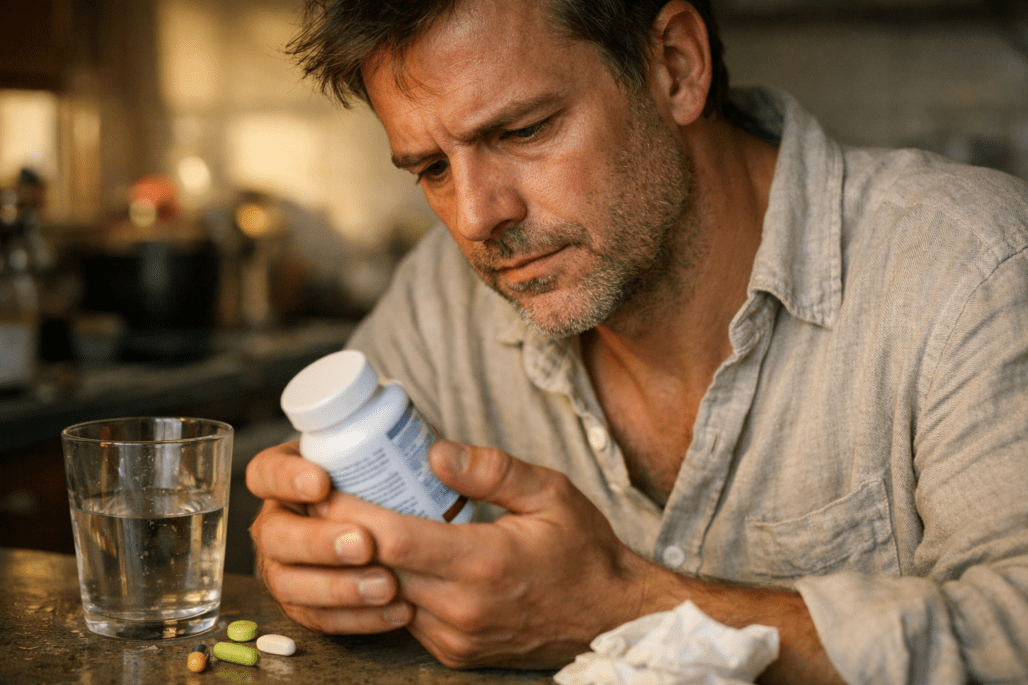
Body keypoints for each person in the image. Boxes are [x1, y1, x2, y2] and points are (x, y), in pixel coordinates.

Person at [245, 0, 1028, 682]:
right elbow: (326, 514)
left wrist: (625, 602)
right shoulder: (440, 297)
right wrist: (320, 559)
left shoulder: (972, 264)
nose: (478, 218)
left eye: (522, 129)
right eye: (430, 168)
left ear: (677, 66)